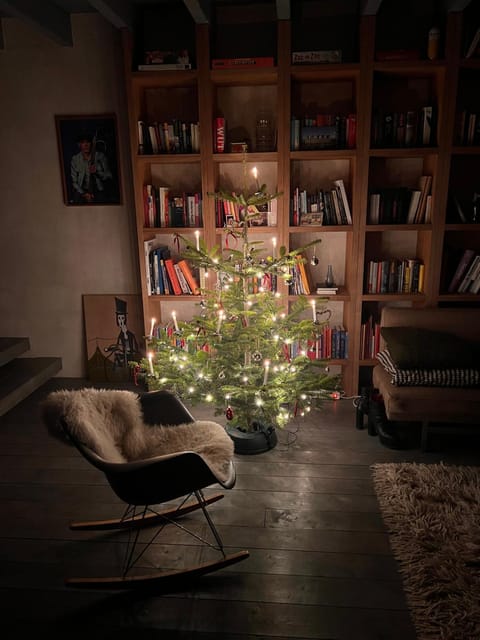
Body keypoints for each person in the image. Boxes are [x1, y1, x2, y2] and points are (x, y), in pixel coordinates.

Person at [70, 131, 113, 204]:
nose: (86, 145)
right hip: (82, 192)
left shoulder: (100, 156)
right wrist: (84, 194)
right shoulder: (75, 159)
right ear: (79, 145)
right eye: (83, 142)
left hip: (98, 191)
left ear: (92, 144)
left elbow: (109, 176)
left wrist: (97, 172)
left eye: (88, 142)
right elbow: (74, 182)